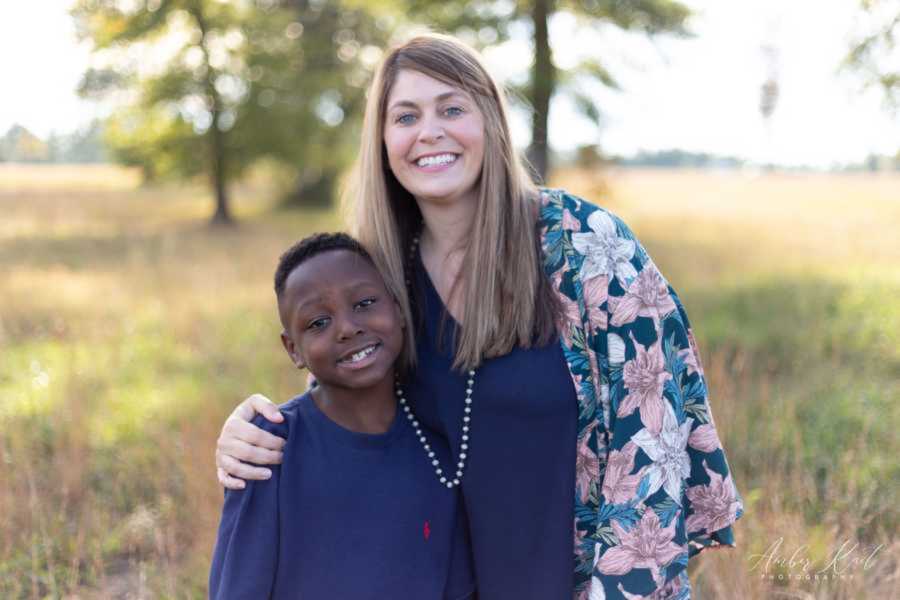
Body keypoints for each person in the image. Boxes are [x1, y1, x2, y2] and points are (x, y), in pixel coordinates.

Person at [214, 33, 743, 600]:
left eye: (452, 108)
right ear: (384, 140)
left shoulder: (586, 245)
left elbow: (653, 439)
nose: (429, 132)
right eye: (406, 116)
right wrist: (250, 431)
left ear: (490, 121)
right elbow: (344, 396)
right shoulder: (384, 274)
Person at [209, 233, 475, 599]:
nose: (348, 328)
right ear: (293, 349)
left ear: (399, 309)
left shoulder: (439, 444)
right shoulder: (269, 446)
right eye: (318, 322)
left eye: (365, 303)